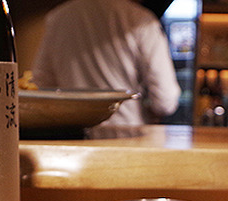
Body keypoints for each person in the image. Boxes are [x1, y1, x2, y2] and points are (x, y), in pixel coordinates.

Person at [32, 0, 181, 126]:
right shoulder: (140, 19)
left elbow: (41, 84)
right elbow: (165, 101)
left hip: (73, 133)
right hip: (126, 134)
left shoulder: (59, 17)